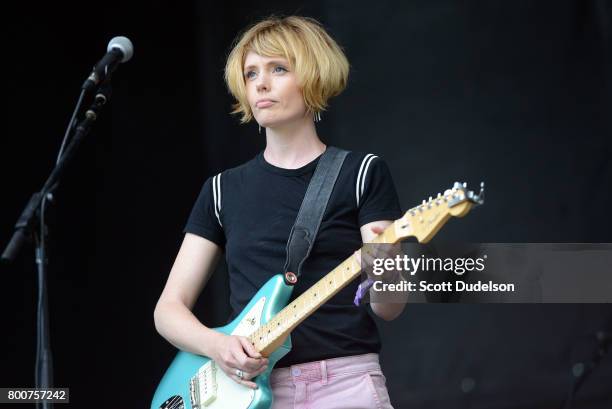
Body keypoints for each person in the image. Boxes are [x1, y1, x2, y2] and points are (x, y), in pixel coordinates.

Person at [154, 15, 405, 409]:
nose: (261, 83)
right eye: (251, 73)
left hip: (344, 384)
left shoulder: (361, 173)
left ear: (313, 77)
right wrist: (218, 346)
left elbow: (388, 308)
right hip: (248, 390)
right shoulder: (221, 190)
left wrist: (387, 267)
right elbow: (168, 310)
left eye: (278, 69)